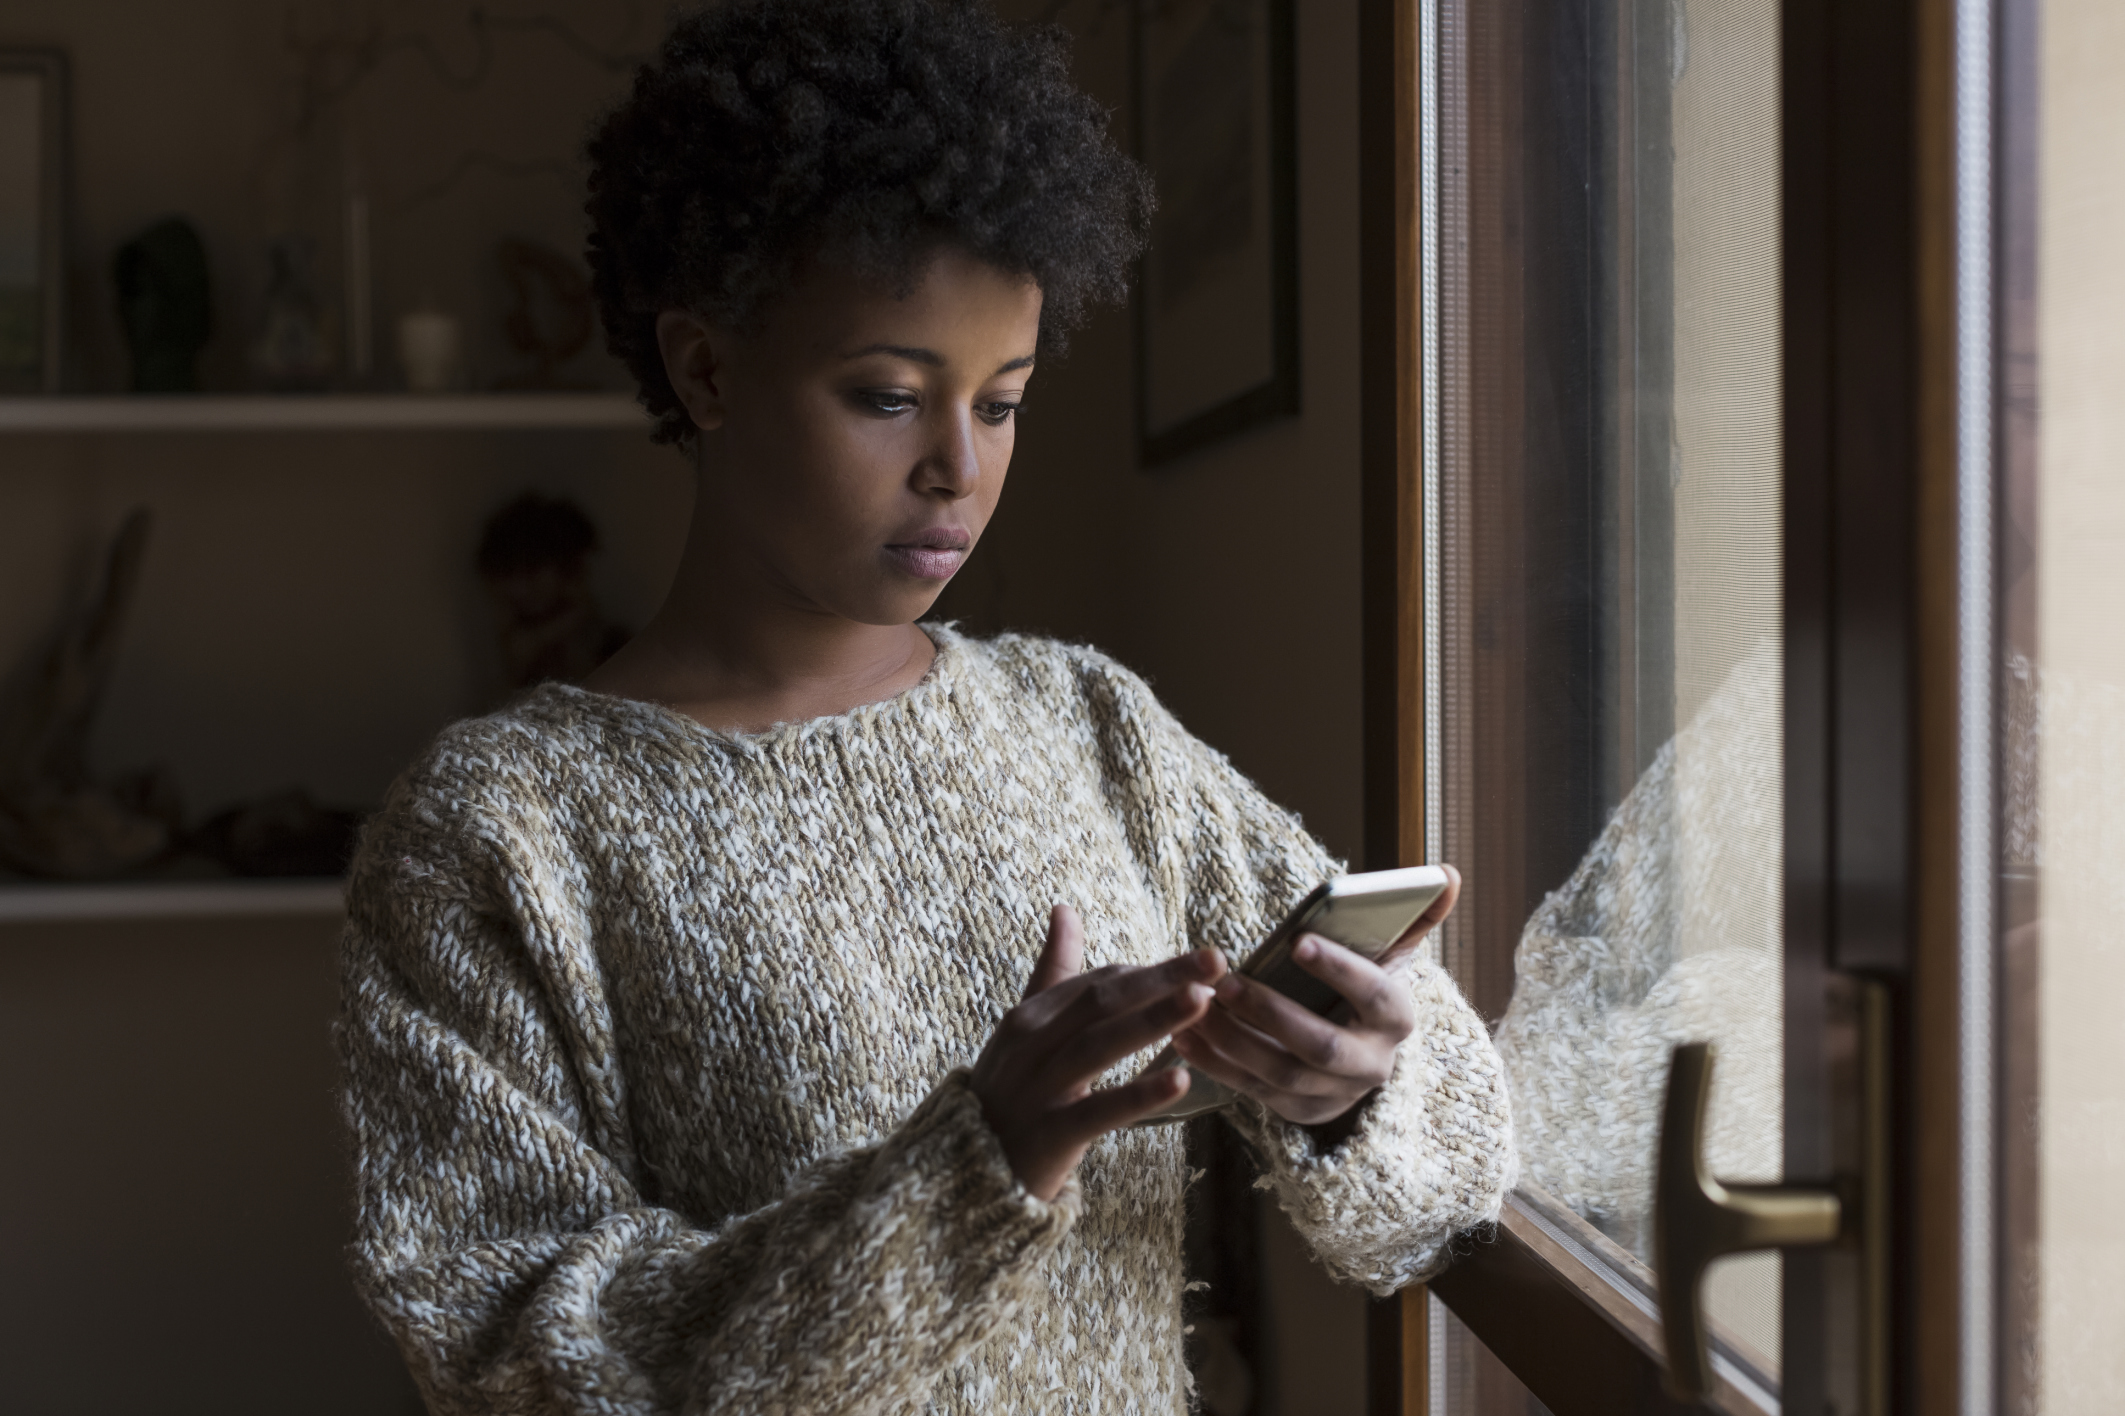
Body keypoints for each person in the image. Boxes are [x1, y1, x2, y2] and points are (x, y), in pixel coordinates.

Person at [336, 2, 1515, 1412]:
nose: (958, 467)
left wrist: (1351, 1088)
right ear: (707, 369)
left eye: (1002, 401)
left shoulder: (1086, 724)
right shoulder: (494, 833)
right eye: (888, 396)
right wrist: (973, 1168)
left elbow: (1450, 1146)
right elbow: (513, 1356)